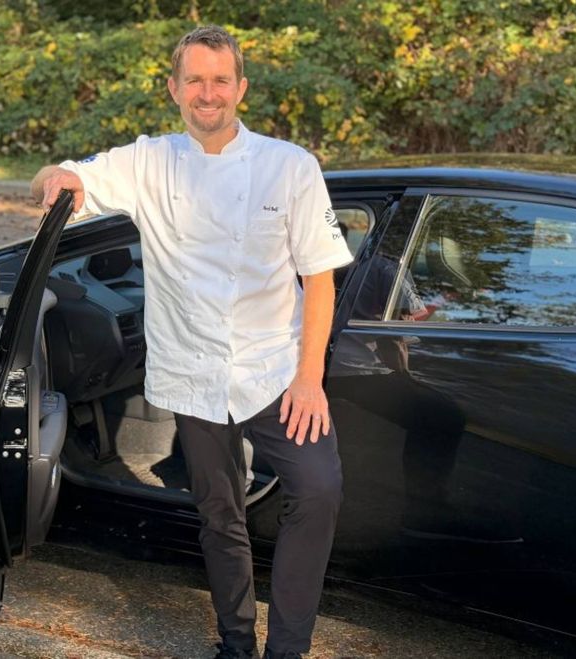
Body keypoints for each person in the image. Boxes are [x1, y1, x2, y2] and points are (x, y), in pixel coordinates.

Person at [31, 25, 353, 659]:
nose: (209, 94)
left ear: (242, 89)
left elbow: (320, 279)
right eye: (196, 81)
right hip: (193, 374)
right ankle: (235, 643)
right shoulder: (148, 161)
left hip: (275, 372)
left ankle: (287, 650)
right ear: (175, 89)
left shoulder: (290, 167)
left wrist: (310, 377)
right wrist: (53, 182)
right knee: (218, 515)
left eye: (221, 80)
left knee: (318, 489)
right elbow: (64, 174)